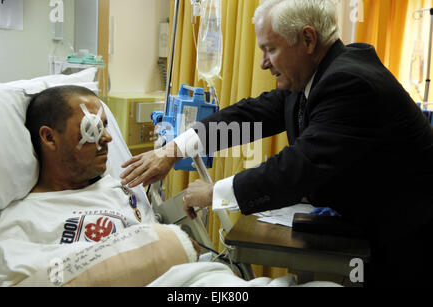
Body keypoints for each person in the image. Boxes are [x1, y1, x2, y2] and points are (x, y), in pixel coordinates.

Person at [120, 0, 433, 287]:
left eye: (270, 49)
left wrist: (214, 194)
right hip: (374, 228)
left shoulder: (350, 82)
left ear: (308, 40)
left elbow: (298, 167)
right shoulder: (316, 75)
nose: (263, 63)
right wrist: (173, 150)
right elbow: (249, 117)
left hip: (408, 240)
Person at [0, 85, 155, 286]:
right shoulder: (17, 225)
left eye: (105, 125)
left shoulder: (122, 192)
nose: (107, 138)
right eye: (92, 128)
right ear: (49, 138)